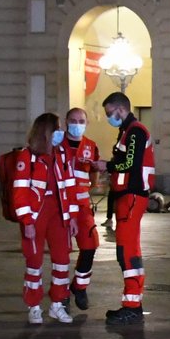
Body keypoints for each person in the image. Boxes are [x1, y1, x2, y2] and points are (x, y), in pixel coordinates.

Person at [95, 92, 155, 325]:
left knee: (127, 251)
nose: (109, 117)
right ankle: (133, 303)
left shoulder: (135, 131)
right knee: (129, 250)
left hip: (132, 195)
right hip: (128, 195)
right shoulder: (128, 131)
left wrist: (106, 165)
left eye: (110, 113)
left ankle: (132, 305)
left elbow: (130, 162)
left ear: (121, 110)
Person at [11, 112, 75, 325]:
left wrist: (72, 217)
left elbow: (69, 186)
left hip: (58, 215)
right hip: (36, 216)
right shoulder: (26, 157)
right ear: (46, 132)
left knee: (63, 261)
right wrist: (27, 221)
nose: (61, 133)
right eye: (57, 129)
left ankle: (57, 304)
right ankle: (34, 306)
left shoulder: (62, 155)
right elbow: (19, 193)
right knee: (34, 263)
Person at [59, 108, 102, 312]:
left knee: (90, 245)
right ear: (66, 121)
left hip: (83, 207)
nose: (77, 123)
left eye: (81, 120)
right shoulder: (56, 144)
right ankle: (60, 294)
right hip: (60, 206)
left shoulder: (91, 146)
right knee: (61, 253)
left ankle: (79, 286)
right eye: (73, 120)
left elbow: (94, 174)